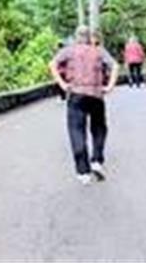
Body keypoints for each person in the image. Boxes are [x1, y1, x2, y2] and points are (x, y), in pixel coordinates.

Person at [49, 25, 119, 184]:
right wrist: (109, 87)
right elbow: (115, 65)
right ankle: (97, 160)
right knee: (99, 128)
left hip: (76, 94)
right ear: (89, 37)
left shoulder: (69, 50)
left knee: (76, 131)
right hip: (96, 95)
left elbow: (52, 64)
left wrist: (62, 84)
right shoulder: (99, 51)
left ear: (76, 37)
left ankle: (83, 171)